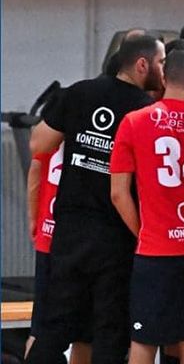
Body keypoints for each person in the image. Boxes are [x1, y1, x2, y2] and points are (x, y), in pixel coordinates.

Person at [26, 35, 165, 364]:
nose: (164, 69)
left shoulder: (78, 92)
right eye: (161, 62)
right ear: (142, 64)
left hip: (70, 232)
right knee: (109, 330)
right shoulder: (145, 112)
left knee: (54, 326)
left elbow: (38, 144)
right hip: (115, 234)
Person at [110, 47, 184, 364]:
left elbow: (118, 194)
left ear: (164, 78)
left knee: (144, 340)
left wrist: (143, 232)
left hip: (157, 249)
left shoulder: (134, 121)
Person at [25, 143, 92, 364]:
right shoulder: (89, 128)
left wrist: (34, 217)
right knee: (85, 332)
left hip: (50, 234)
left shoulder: (50, 133)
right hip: (82, 239)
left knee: (42, 329)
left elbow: (35, 169)